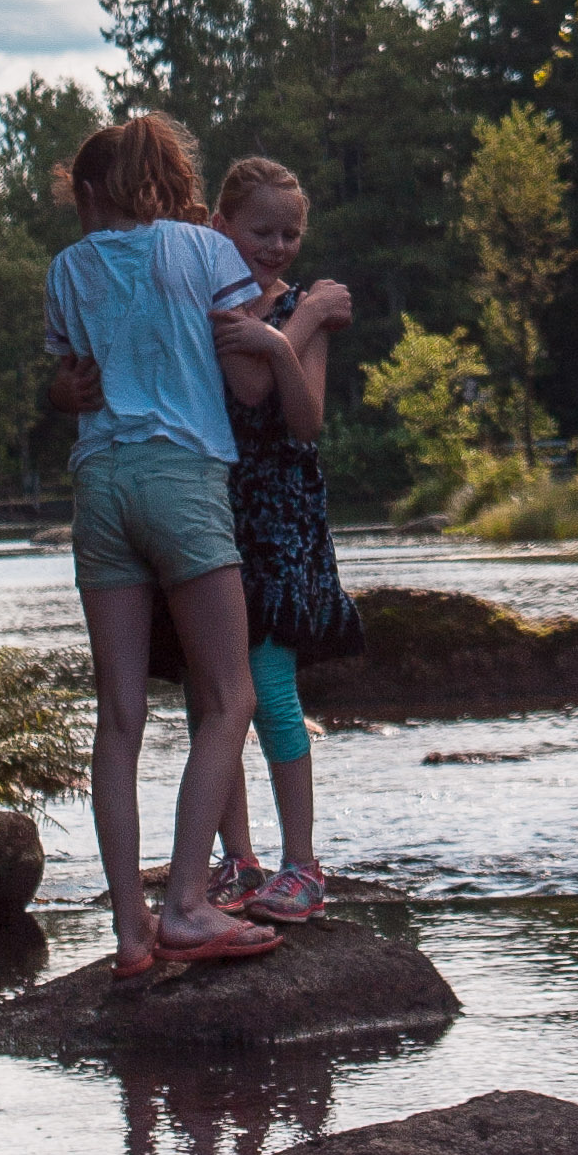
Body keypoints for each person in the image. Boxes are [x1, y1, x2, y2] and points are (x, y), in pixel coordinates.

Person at [44, 111, 280, 978]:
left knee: (120, 715)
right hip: (182, 479)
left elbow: (74, 382)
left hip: (100, 486)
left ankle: (131, 931)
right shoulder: (204, 251)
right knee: (229, 697)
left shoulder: (67, 271)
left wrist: (68, 393)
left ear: (94, 192)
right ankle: (186, 903)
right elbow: (244, 372)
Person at [200, 155, 355, 925]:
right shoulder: (214, 303)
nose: (278, 244)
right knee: (214, 696)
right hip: (210, 514)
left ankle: (303, 865)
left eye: (291, 232)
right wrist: (281, 331)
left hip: (279, 524)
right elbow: (239, 384)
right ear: (219, 225)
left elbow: (303, 418)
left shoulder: (304, 309)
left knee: (270, 692)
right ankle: (239, 858)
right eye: (262, 229)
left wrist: (283, 336)